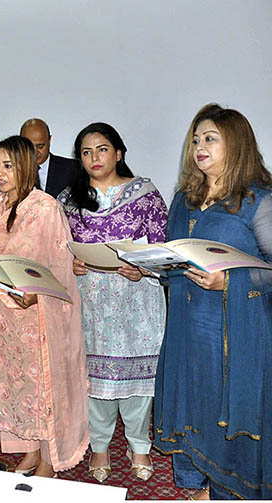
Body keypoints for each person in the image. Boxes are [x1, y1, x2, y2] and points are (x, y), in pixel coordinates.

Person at [154, 104, 272, 500]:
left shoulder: (258, 200)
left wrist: (229, 281)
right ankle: (196, 488)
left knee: (224, 407)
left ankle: (226, 490)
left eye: (210, 139)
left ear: (235, 144)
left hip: (234, 335)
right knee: (192, 402)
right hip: (188, 329)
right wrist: (149, 265)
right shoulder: (185, 199)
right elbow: (175, 256)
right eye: (195, 139)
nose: (199, 146)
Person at [0, 136, 88, 478]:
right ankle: (29, 452)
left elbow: (61, 264)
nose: (0, 173)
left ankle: (49, 458)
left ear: (26, 167)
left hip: (38, 315)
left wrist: (36, 294)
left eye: (8, 165)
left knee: (40, 387)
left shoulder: (46, 207)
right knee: (14, 385)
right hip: (4, 315)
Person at [59, 123, 167, 483]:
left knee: (138, 381)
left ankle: (139, 447)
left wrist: (144, 270)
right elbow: (57, 249)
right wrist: (69, 263)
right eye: (86, 152)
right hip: (91, 304)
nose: (94, 158)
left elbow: (162, 249)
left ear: (118, 152)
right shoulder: (69, 199)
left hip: (136, 302)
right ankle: (100, 448)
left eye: (102, 149)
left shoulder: (144, 194)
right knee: (96, 382)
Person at [20, 119, 78, 197]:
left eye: (40, 146)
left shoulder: (72, 168)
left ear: (49, 140)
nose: (35, 152)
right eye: (29, 147)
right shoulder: (13, 171)